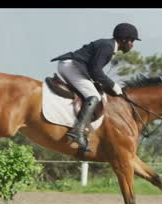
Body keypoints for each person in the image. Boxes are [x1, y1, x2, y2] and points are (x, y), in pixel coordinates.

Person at [51, 22, 141, 152]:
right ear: (123, 39)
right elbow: (96, 71)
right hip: (71, 66)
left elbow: (94, 71)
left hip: (74, 66)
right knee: (93, 96)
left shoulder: (109, 46)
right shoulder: (108, 47)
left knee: (94, 91)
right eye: (132, 40)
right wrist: (113, 85)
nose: (132, 44)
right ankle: (78, 131)